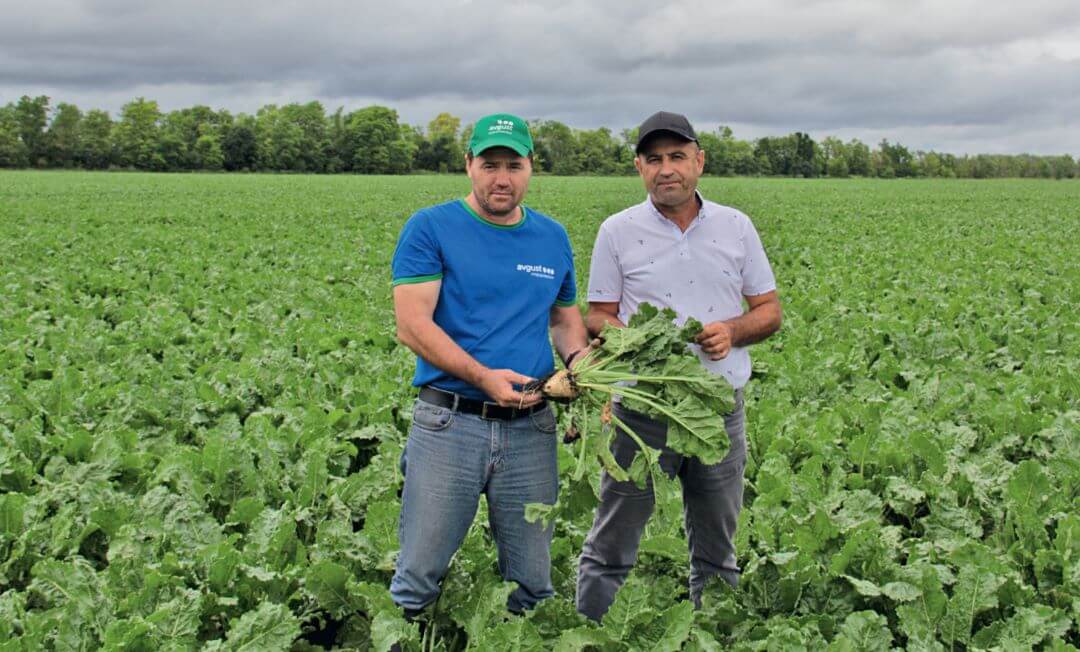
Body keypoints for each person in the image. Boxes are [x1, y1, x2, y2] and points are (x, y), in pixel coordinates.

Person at [575, 111, 782, 621]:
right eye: (654, 159)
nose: (666, 169)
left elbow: (769, 311)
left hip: (717, 410)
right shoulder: (617, 231)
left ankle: (714, 631)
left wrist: (731, 331)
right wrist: (642, 341)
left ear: (699, 162)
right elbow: (598, 315)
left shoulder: (736, 226)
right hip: (642, 411)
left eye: (677, 157)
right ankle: (589, 632)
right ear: (639, 168)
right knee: (612, 543)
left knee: (716, 549)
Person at [390, 113, 590, 616]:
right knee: (418, 575)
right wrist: (482, 377)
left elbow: (565, 321)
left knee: (532, 581)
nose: (502, 178)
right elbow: (412, 325)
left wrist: (581, 365)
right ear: (469, 165)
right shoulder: (431, 228)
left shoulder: (551, 237)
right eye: (490, 165)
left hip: (531, 429)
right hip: (450, 423)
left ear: (531, 168)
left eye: (514, 166)